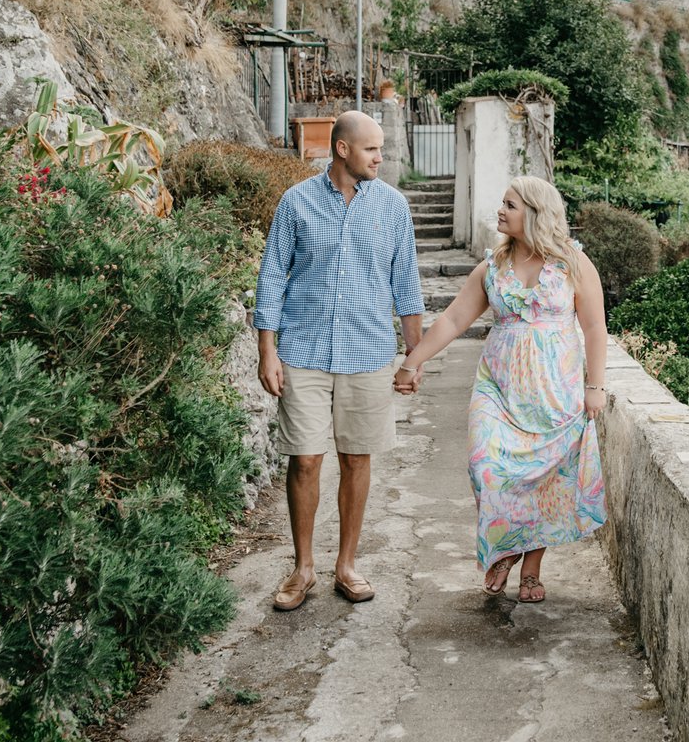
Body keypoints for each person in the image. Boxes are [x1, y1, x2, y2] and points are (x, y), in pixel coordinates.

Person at [393, 175, 607, 603]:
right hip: (499, 390)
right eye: (503, 202)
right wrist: (412, 362)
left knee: (548, 482)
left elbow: (594, 326)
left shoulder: (572, 264)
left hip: (554, 394)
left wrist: (595, 386)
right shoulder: (492, 268)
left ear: (534, 211)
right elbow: (454, 320)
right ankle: (503, 546)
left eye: (510, 204)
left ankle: (530, 569)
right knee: (486, 468)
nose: (501, 210)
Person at [254, 110, 423, 611]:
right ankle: (303, 567)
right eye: (372, 149)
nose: (380, 156)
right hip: (303, 351)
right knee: (304, 460)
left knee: (356, 458)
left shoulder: (393, 207)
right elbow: (271, 277)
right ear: (343, 150)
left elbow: (407, 285)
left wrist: (414, 357)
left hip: (368, 351)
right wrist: (267, 348)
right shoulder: (296, 202)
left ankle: (346, 565)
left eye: (381, 148)